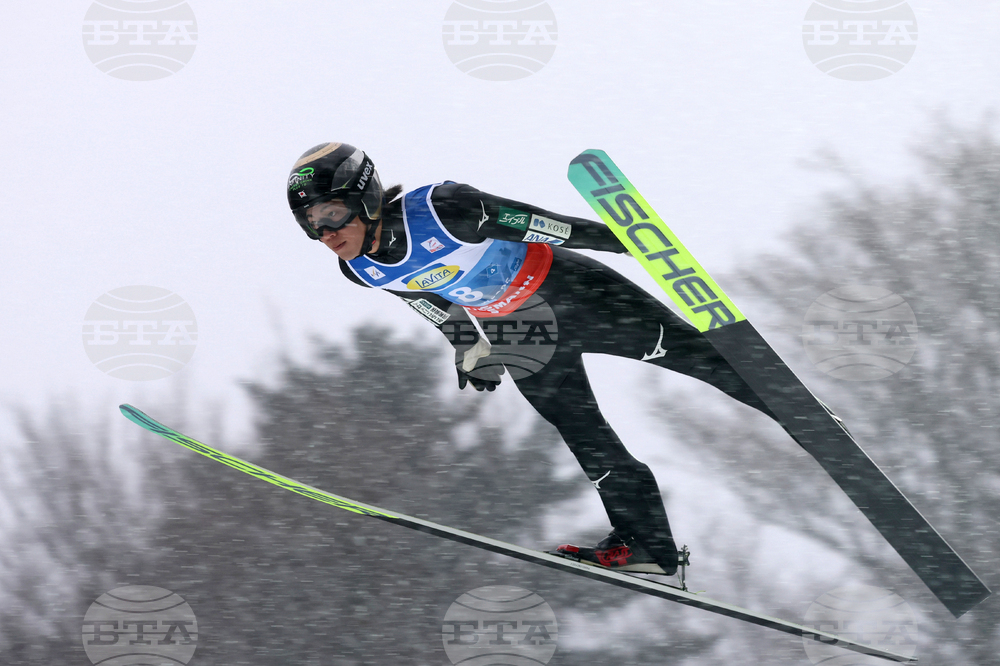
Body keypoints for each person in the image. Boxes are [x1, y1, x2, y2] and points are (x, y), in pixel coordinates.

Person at [286, 142, 777, 576]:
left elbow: (546, 225)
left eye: (331, 213)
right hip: (519, 332)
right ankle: (645, 543)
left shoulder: (445, 209)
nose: (325, 232)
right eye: (311, 223)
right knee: (588, 441)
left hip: (572, 292)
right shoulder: (360, 269)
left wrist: (627, 241)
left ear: (365, 197)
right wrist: (466, 344)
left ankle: (796, 410)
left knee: (700, 361)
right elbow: (424, 297)